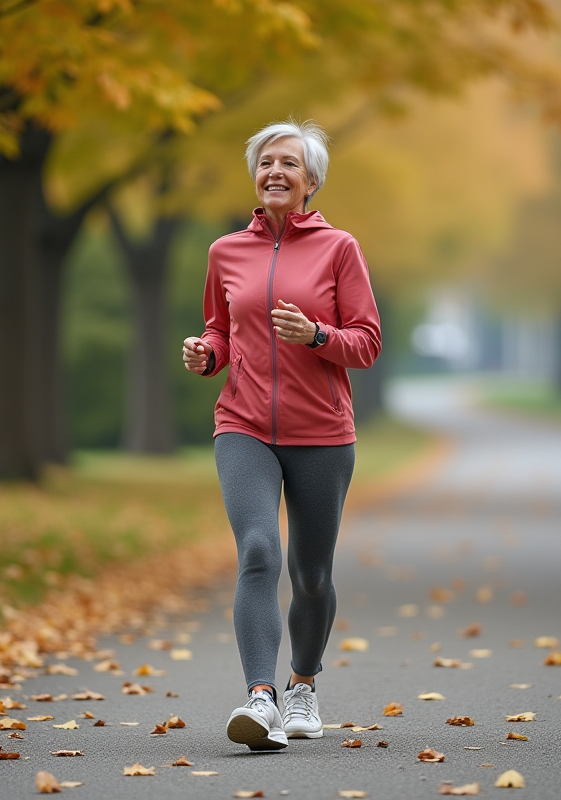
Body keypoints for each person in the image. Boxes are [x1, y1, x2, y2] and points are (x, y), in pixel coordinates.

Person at [182, 119, 382, 751]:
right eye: (267, 161)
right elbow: (222, 329)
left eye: (289, 164)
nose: (276, 171)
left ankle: (302, 687)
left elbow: (367, 343)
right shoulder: (225, 252)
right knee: (258, 553)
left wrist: (317, 337)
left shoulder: (339, 249)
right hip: (243, 426)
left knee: (311, 573)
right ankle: (260, 701)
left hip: (322, 433)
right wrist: (205, 353)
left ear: (311, 181)